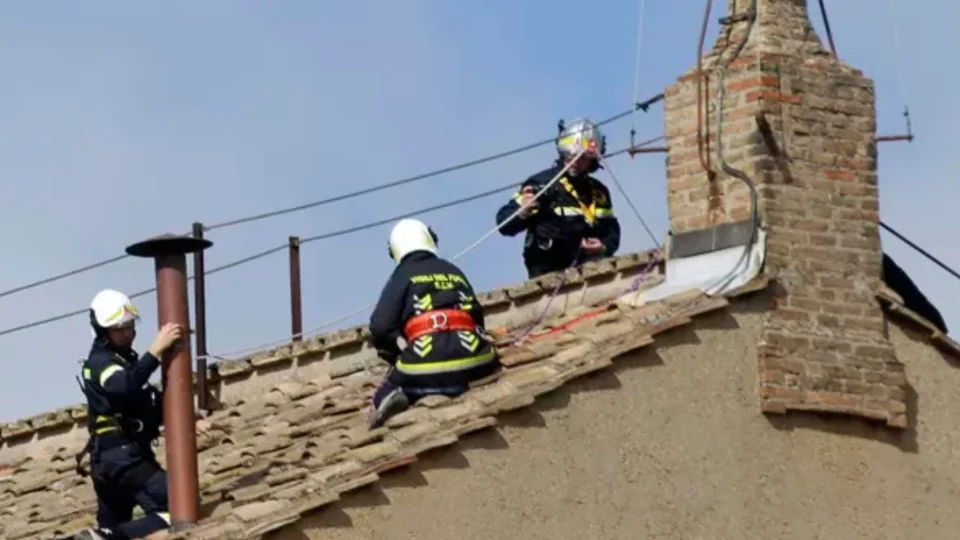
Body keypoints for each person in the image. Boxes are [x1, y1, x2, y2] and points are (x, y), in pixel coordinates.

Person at [367, 218, 501, 428]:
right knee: (484, 363)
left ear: (394, 250)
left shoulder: (402, 276)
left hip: (425, 362)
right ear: (430, 240)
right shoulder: (455, 271)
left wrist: (396, 353)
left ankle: (402, 395)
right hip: (477, 359)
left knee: (385, 391)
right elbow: (477, 318)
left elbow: (381, 327)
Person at [72, 289, 182, 540]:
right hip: (123, 461)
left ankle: (103, 536)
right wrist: (156, 350)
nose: (128, 333)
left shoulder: (122, 361)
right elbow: (124, 386)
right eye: (119, 328)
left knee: (111, 530)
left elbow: (141, 404)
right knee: (179, 505)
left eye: (130, 326)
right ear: (103, 332)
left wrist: (189, 419)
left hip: (113, 462)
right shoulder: (102, 363)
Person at [495, 117, 621, 278]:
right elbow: (503, 223)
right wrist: (523, 211)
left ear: (592, 160)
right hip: (548, 275)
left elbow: (611, 230)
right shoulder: (542, 183)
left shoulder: (599, 192)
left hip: (589, 272)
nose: (575, 161)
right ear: (562, 152)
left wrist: (603, 246)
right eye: (570, 155)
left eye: (582, 158)